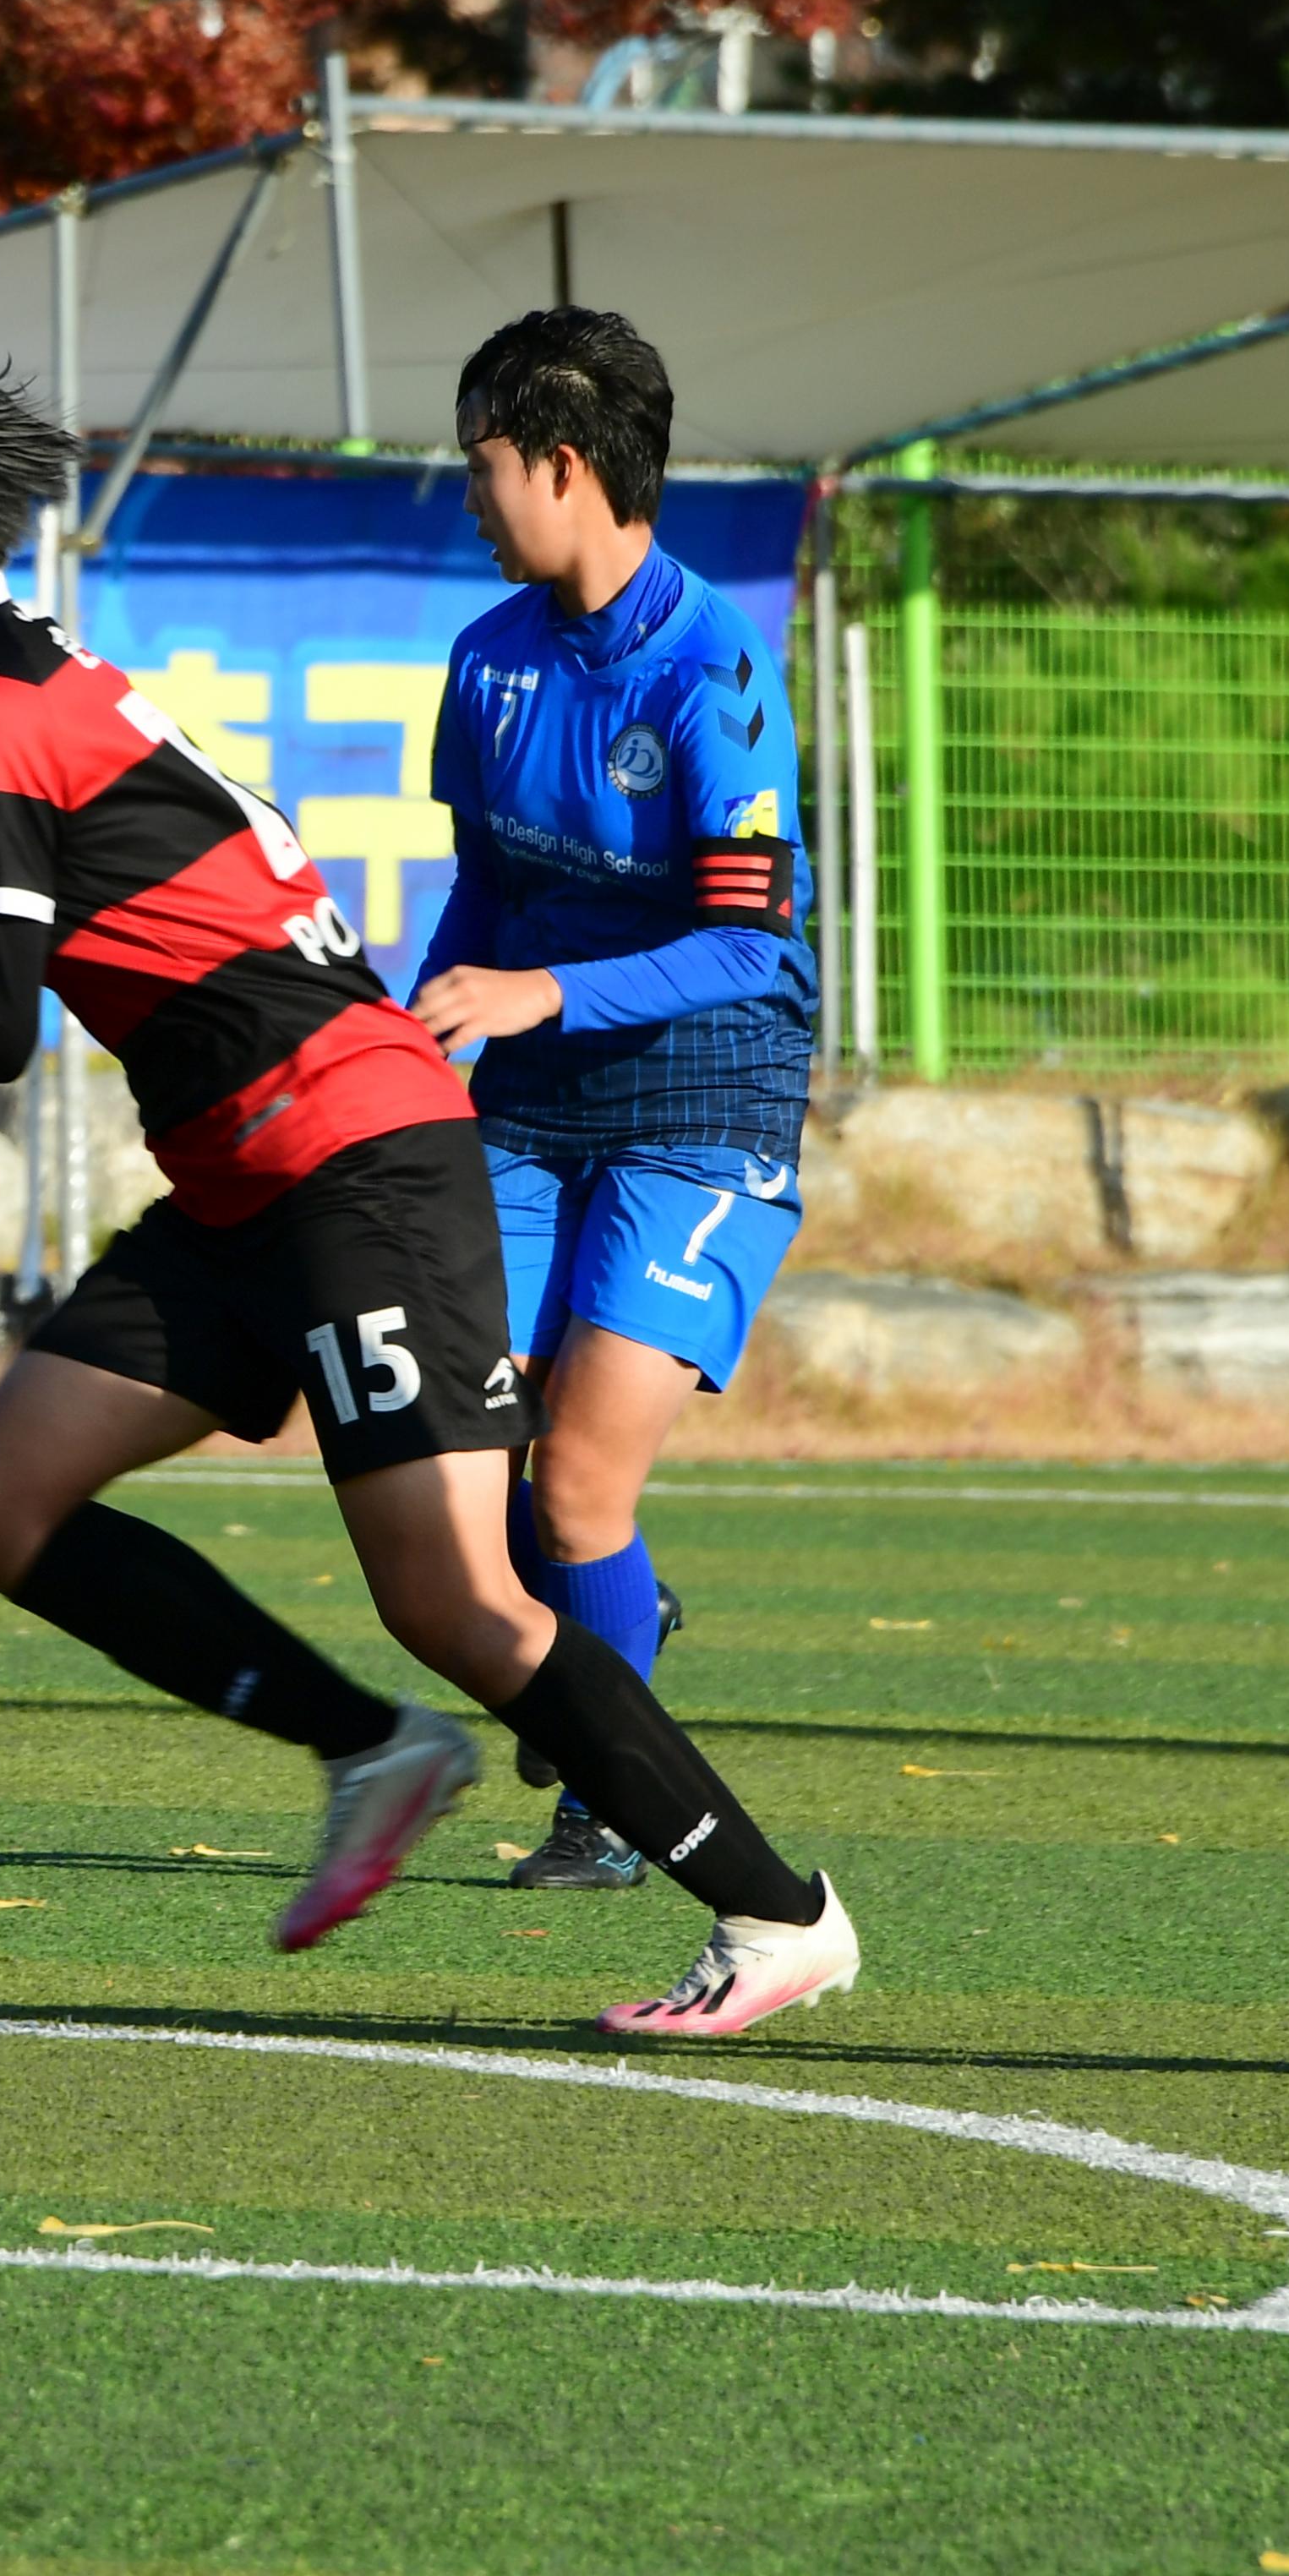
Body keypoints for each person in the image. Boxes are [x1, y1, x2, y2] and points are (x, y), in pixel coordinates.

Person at [0, 357, 858, 2029]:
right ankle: (372, 1747)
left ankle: (778, 1910)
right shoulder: (17, 675)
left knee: (462, 1598)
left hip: (350, 1159)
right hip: (253, 1171)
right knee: (2, 1500)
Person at [410, 310, 809, 1887]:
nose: (468, 502)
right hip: (530, 1082)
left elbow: (740, 943)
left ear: (564, 467)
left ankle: (606, 1799)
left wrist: (535, 994)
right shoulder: (487, 660)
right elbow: (483, 900)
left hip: (707, 1083)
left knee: (578, 1480)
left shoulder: (714, 665)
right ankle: (611, 1630)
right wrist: (415, 1032)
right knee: (456, 1439)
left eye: (481, 467)